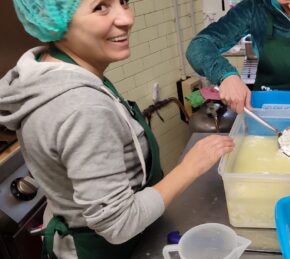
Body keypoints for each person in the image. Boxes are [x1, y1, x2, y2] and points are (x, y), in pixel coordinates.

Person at [0, 0, 234, 258]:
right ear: (54, 19)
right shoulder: (82, 107)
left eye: (123, 1)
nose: (126, 18)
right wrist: (192, 166)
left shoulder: (54, 69)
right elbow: (118, 224)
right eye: (100, 6)